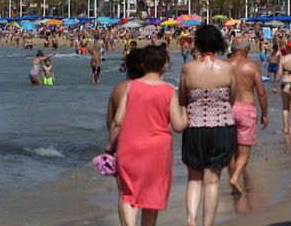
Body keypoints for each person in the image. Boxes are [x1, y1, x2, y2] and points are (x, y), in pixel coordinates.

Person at [107, 46, 188, 226]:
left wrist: (109, 146)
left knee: (128, 195)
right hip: (157, 150)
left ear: (142, 65)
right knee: (152, 197)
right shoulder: (168, 91)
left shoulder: (131, 87)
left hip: (130, 146)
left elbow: (118, 121)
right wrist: (185, 111)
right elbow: (178, 126)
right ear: (164, 66)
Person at [179, 24, 236, 226]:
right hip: (221, 126)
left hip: (194, 127)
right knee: (212, 181)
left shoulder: (188, 69)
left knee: (194, 178)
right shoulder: (227, 68)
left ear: (198, 44)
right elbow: (232, 98)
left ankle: (191, 217)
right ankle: (207, 224)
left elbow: (182, 99)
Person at [227, 35, 268, 195]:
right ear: (247, 50)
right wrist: (264, 114)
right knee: (244, 150)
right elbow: (261, 93)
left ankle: (233, 181)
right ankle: (235, 177)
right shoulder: (252, 66)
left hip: (228, 108)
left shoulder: (224, 65)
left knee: (231, 149)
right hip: (246, 108)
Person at [278, 42, 291, 137]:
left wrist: (274, 84)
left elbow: (279, 73)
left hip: (284, 83)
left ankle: (285, 128)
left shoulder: (283, 59)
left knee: (285, 107)